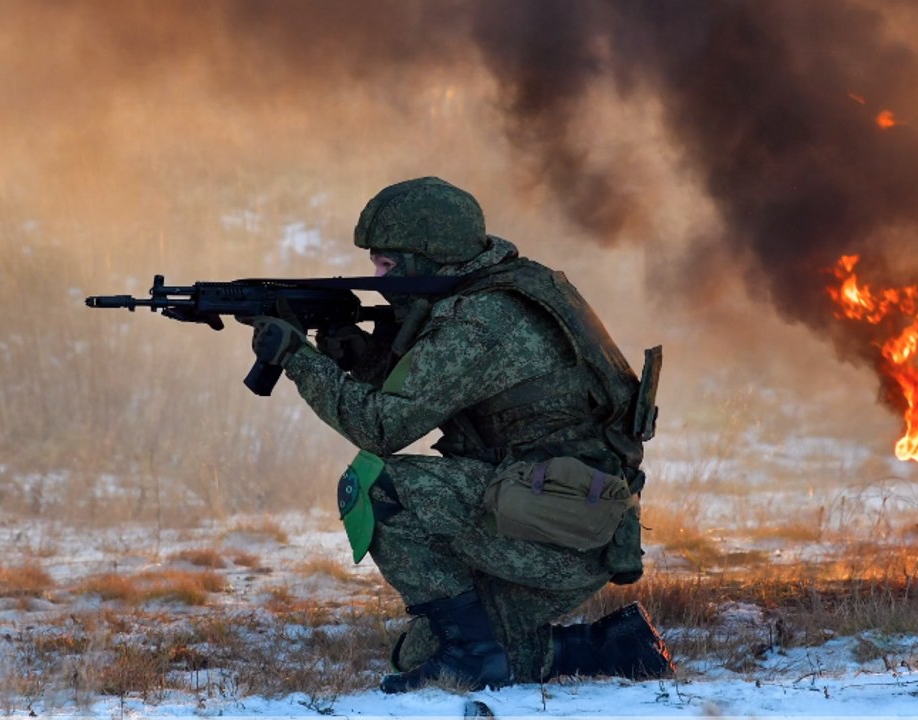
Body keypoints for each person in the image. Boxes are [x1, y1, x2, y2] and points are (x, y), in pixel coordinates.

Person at [246, 177, 674, 692]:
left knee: (379, 486)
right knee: (418, 653)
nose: (375, 277)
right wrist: (346, 348)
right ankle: (607, 646)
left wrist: (298, 359)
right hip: (557, 513)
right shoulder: (498, 288)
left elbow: (381, 427)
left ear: (427, 259)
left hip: (561, 531)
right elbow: (425, 384)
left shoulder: (481, 321)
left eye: (386, 265)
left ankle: (473, 657)